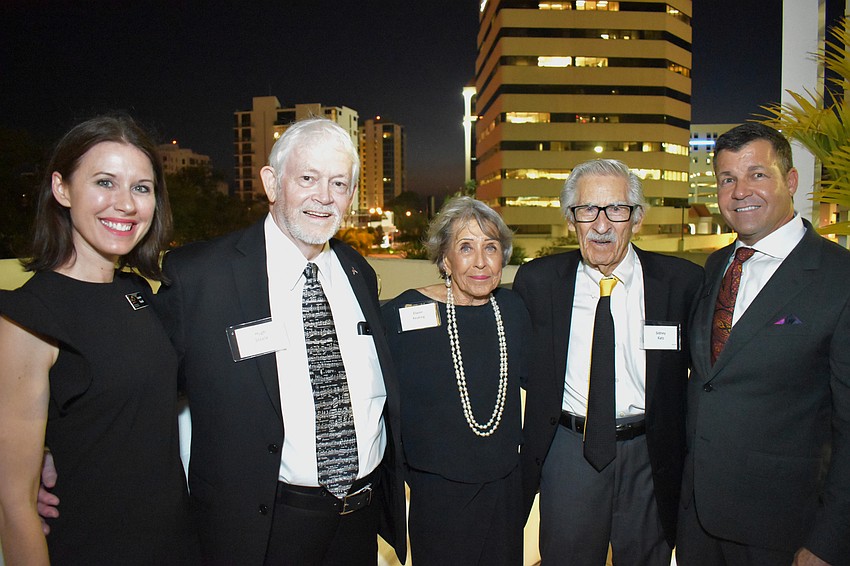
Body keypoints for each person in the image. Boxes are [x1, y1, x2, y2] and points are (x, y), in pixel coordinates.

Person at [153, 117, 406, 564]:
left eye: (339, 183)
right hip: (264, 525)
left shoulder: (357, 272)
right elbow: (146, 397)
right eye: (307, 178)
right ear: (272, 183)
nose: (324, 197)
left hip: (359, 521)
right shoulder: (201, 277)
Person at [0, 115, 196, 564]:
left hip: (175, 543)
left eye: (141, 188)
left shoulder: (137, 293)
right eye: (105, 182)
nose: (125, 204)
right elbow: (15, 507)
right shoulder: (28, 318)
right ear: (62, 188)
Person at [513, 159, 703, 565]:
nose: (601, 224)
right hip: (568, 451)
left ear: (637, 218)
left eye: (616, 209)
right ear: (571, 219)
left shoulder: (682, 283)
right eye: (587, 210)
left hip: (651, 455)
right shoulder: (537, 282)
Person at [676, 123, 850, 566]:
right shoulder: (716, 266)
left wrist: (830, 541)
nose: (739, 192)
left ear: (790, 181)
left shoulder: (839, 278)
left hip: (785, 531)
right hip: (698, 522)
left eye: (757, 174)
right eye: (727, 179)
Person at [381, 196, 530, 565]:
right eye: (466, 247)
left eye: (490, 247)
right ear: (445, 260)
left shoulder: (513, 311)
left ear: (503, 257)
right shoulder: (401, 316)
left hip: (504, 488)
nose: (480, 261)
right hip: (438, 495)